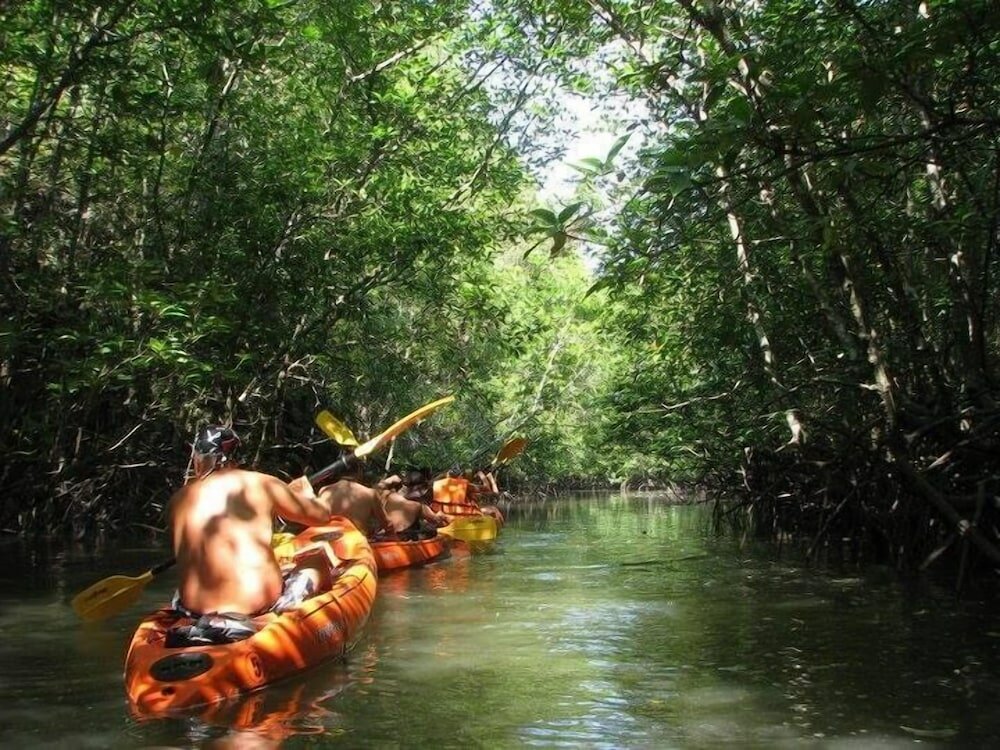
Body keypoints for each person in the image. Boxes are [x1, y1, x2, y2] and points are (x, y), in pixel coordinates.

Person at [169, 425, 392, 619]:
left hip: (194, 608)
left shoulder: (178, 500)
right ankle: (292, 600)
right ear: (235, 457)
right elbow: (322, 516)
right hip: (254, 604)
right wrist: (305, 494)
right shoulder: (262, 484)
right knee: (316, 560)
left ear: (198, 458)